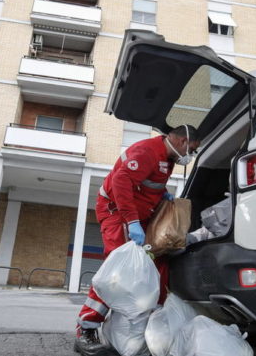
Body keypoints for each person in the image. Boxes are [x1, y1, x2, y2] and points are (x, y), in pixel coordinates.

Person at [74, 125, 200, 356]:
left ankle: (154, 325)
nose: (190, 155)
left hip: (141, 216)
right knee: (119, 272)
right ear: (183, 141)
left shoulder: (168, 158)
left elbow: (146, 182)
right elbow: (121, 181)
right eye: (192, 149)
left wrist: (161, 194)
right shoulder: (147, 151)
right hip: (117, 212)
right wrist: (131, 222)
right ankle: (86, 329)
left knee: (160, 264)